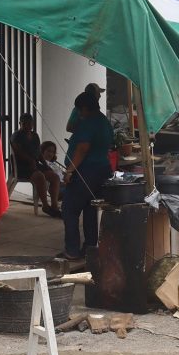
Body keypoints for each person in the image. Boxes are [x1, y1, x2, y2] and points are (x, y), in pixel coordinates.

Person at [60, 91, 113, 260]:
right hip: (102, 170)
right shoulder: (104, 121)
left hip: (86, 171)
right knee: (91, 209)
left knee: (70, 209)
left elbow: (82, 148)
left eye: (79, 110)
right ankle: (90, 248)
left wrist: (70, 170)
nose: (78, 113)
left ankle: (72, 250)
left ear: (84, 108)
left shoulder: (89, 123)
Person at [36, 141, 63, 217]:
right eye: (48, 151)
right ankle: (55, 206)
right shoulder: (42, 163)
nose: (50, 154)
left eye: (53, 152)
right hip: (60, 186)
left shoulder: (53, 164)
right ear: (42, 151)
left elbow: (61, 174)